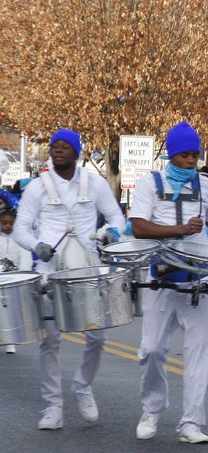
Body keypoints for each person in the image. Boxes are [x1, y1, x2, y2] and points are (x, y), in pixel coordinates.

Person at [130, 121, 208, 443]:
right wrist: (179, 231)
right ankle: (152, 408)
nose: (192, 160)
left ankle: (191, 423)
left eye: (195, 154)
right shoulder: (149, 183)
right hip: (160, 278)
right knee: (151, 350)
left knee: (200, 353)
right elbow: (138, 227)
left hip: (196, 279)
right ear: (172, 155)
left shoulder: (206, 184)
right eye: (185, 155)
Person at [13, 129, 126, 429]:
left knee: (97, 336)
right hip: (49, 271)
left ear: (77, 153)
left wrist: (110, 233)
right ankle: (53, 406)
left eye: (65, 147)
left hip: (86, 270)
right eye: (55, 146)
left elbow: (117, 218)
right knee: (49, 340)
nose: (58, 150)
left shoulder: (95, 183)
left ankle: (83, 385)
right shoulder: (37, 187)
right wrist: (36, 245)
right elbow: (20, 228)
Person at [0, 209, 34, 354]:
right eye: (4, 223)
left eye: (11, 223)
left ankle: (10, 342)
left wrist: (22, 275)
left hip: (13, 280)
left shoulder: (21, 240)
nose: (8, 226)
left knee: (11, 312)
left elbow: (26, 259)